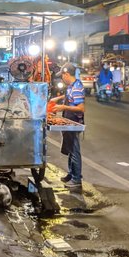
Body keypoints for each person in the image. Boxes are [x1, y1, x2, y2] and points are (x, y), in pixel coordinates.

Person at [49, 63, 85, 191]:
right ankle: (71, 174)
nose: (61, 79)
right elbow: (68, 96)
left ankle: (77, 180)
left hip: (74, 122)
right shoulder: (71, 86)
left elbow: (81, 108)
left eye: (62, 76)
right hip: (68, 120)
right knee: (70, 148)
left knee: (75, 151)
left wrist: (63, 107)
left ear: (66, 74)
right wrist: (57, 99)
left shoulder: (77, 87)